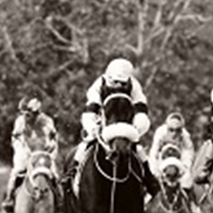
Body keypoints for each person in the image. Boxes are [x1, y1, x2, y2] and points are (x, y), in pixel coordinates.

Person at [66, 57, 159, 197]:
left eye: (122, 83)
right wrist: (93, 127)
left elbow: (141, 112)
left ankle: (148, 177)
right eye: (115, 81)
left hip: (127, 124)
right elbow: (90, 110)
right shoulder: (98, 86)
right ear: (109, 76)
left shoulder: (134, 86)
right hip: (103, 124)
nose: (119, 85)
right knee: (85, 144)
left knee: (138, 148)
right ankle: (71, 173)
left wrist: (136, 128)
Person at [2, 96, 59, 213]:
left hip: (44, 151)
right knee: (18, 170)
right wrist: (25, 152)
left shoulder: (47, 122)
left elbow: (53, 140)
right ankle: (9, 197)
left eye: (28, 114)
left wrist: (47, 151)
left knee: (54, 172)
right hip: (25, 151)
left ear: (36, 113)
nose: (25, 117)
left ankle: (59, 198)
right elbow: (16, 140)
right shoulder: (20, 122)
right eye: (23, 114)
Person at [149, 112, 195, 192]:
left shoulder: (185, 136)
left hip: (179, 160)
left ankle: (188, 199)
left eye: (178, 130)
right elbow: (154, 152)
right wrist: (155, 170)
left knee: (188, 180)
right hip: (162, 159)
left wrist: (185, 168)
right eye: (171, 130)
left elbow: (189, 153)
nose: (174, 134)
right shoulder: (160, 132)